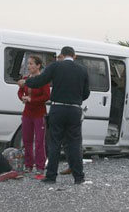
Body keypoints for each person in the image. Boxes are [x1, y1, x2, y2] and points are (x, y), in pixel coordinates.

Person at [21, 46, 89, 184]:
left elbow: (41, 80)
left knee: (54, 143)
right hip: (75, 109)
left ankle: (51, 176)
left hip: (57, 108)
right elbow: (86, 92)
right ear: (74, 56)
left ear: (62, 55)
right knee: (74, 143)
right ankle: (79, 177)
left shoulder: (56, 66)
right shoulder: (82, 69)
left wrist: (26, 82)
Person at [17, 56, 50, 174]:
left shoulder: (42, 79)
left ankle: (40, 166)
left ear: (38, 66)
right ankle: (28, 164)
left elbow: (46, 96)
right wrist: (23, 98)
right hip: (27, 113)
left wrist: (32, 100)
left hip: (39, 113)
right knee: (26, 139)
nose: (29, 66)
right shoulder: (26, 79)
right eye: (28, 64)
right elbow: (20, 91)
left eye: (31, 64)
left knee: (39, 141)